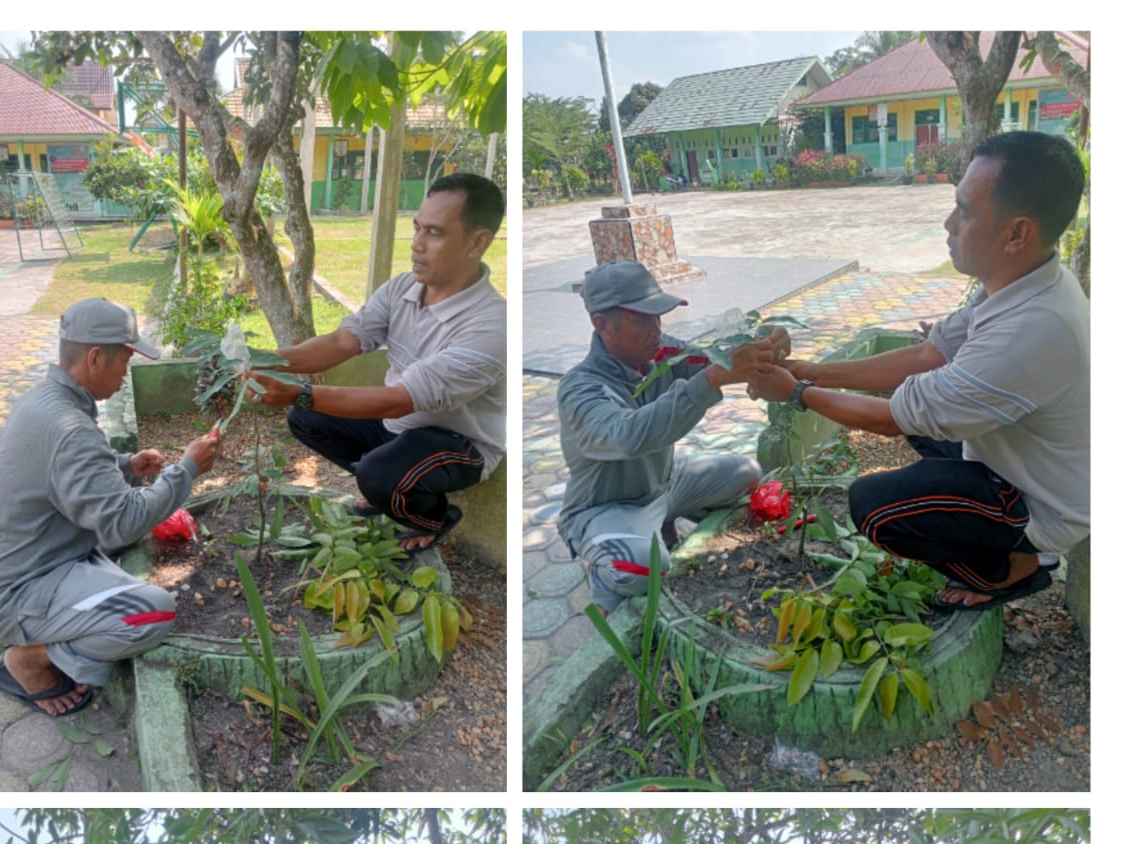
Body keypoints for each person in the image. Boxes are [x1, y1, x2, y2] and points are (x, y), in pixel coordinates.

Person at [746, 132, 1088, 611]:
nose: (949, 224)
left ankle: (1014, 569)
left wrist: (796, 391)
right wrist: (815, 371)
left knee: (876, 507)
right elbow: (929, 355)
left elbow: (889, 419)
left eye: (965, 212)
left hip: (1044, 504)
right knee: (927, 428)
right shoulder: (1023, 283)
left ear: (1017, 233)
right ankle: (991, 530)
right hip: (1019, 460)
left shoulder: (1030, 331)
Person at [0, 297, 220, 716]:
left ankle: (50, 632)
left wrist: (123, 466)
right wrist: (187, 470)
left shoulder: (42, 404)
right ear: (94, 358)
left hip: (31, 569)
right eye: (124, 360)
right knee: (152, 613)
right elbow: (122, 525)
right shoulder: (71, 429)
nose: (127, 372)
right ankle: (31, 660)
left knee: (119, 568)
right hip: (17, 595)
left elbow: (60, 479)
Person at [250, 174, 505, 551]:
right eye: (417, 228)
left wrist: (297, 392)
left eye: (434, 233)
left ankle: (432, 516)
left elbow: (400, 399)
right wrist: (261, 362)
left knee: (377, 472)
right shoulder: (402, 289)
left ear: (477, 242)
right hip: (399, 425)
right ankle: (390, 490)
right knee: (304, 418)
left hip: (458, 443)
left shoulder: (492, 325)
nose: (416, 245)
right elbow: (342, 341)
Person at [556, 262, 782, 611]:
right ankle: (601, 570)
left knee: (748, 474)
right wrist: (712, 379)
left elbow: (713, 359)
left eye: (658, 317)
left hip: (666, 485)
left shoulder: (658, 353)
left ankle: (661, 524)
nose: (656, 329)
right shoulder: (581, 388)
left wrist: (766, 347)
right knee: (642, 569)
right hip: (609, 506)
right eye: (642, 320)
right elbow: (626, 436)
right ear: (601, 324)